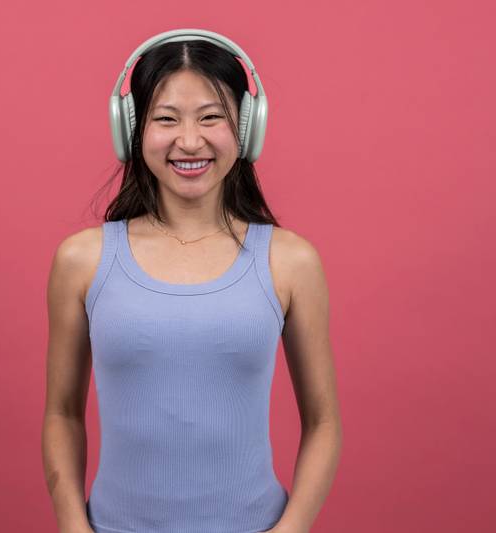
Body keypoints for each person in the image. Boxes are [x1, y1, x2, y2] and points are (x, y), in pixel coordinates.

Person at [42, 29, 343, 533]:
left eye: (211, 117)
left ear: (247, 129)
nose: (188, 140)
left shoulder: (290, 262)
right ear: (131, 130)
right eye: (165, 119)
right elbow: (62, 415)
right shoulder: (82, 260)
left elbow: (324, 423)